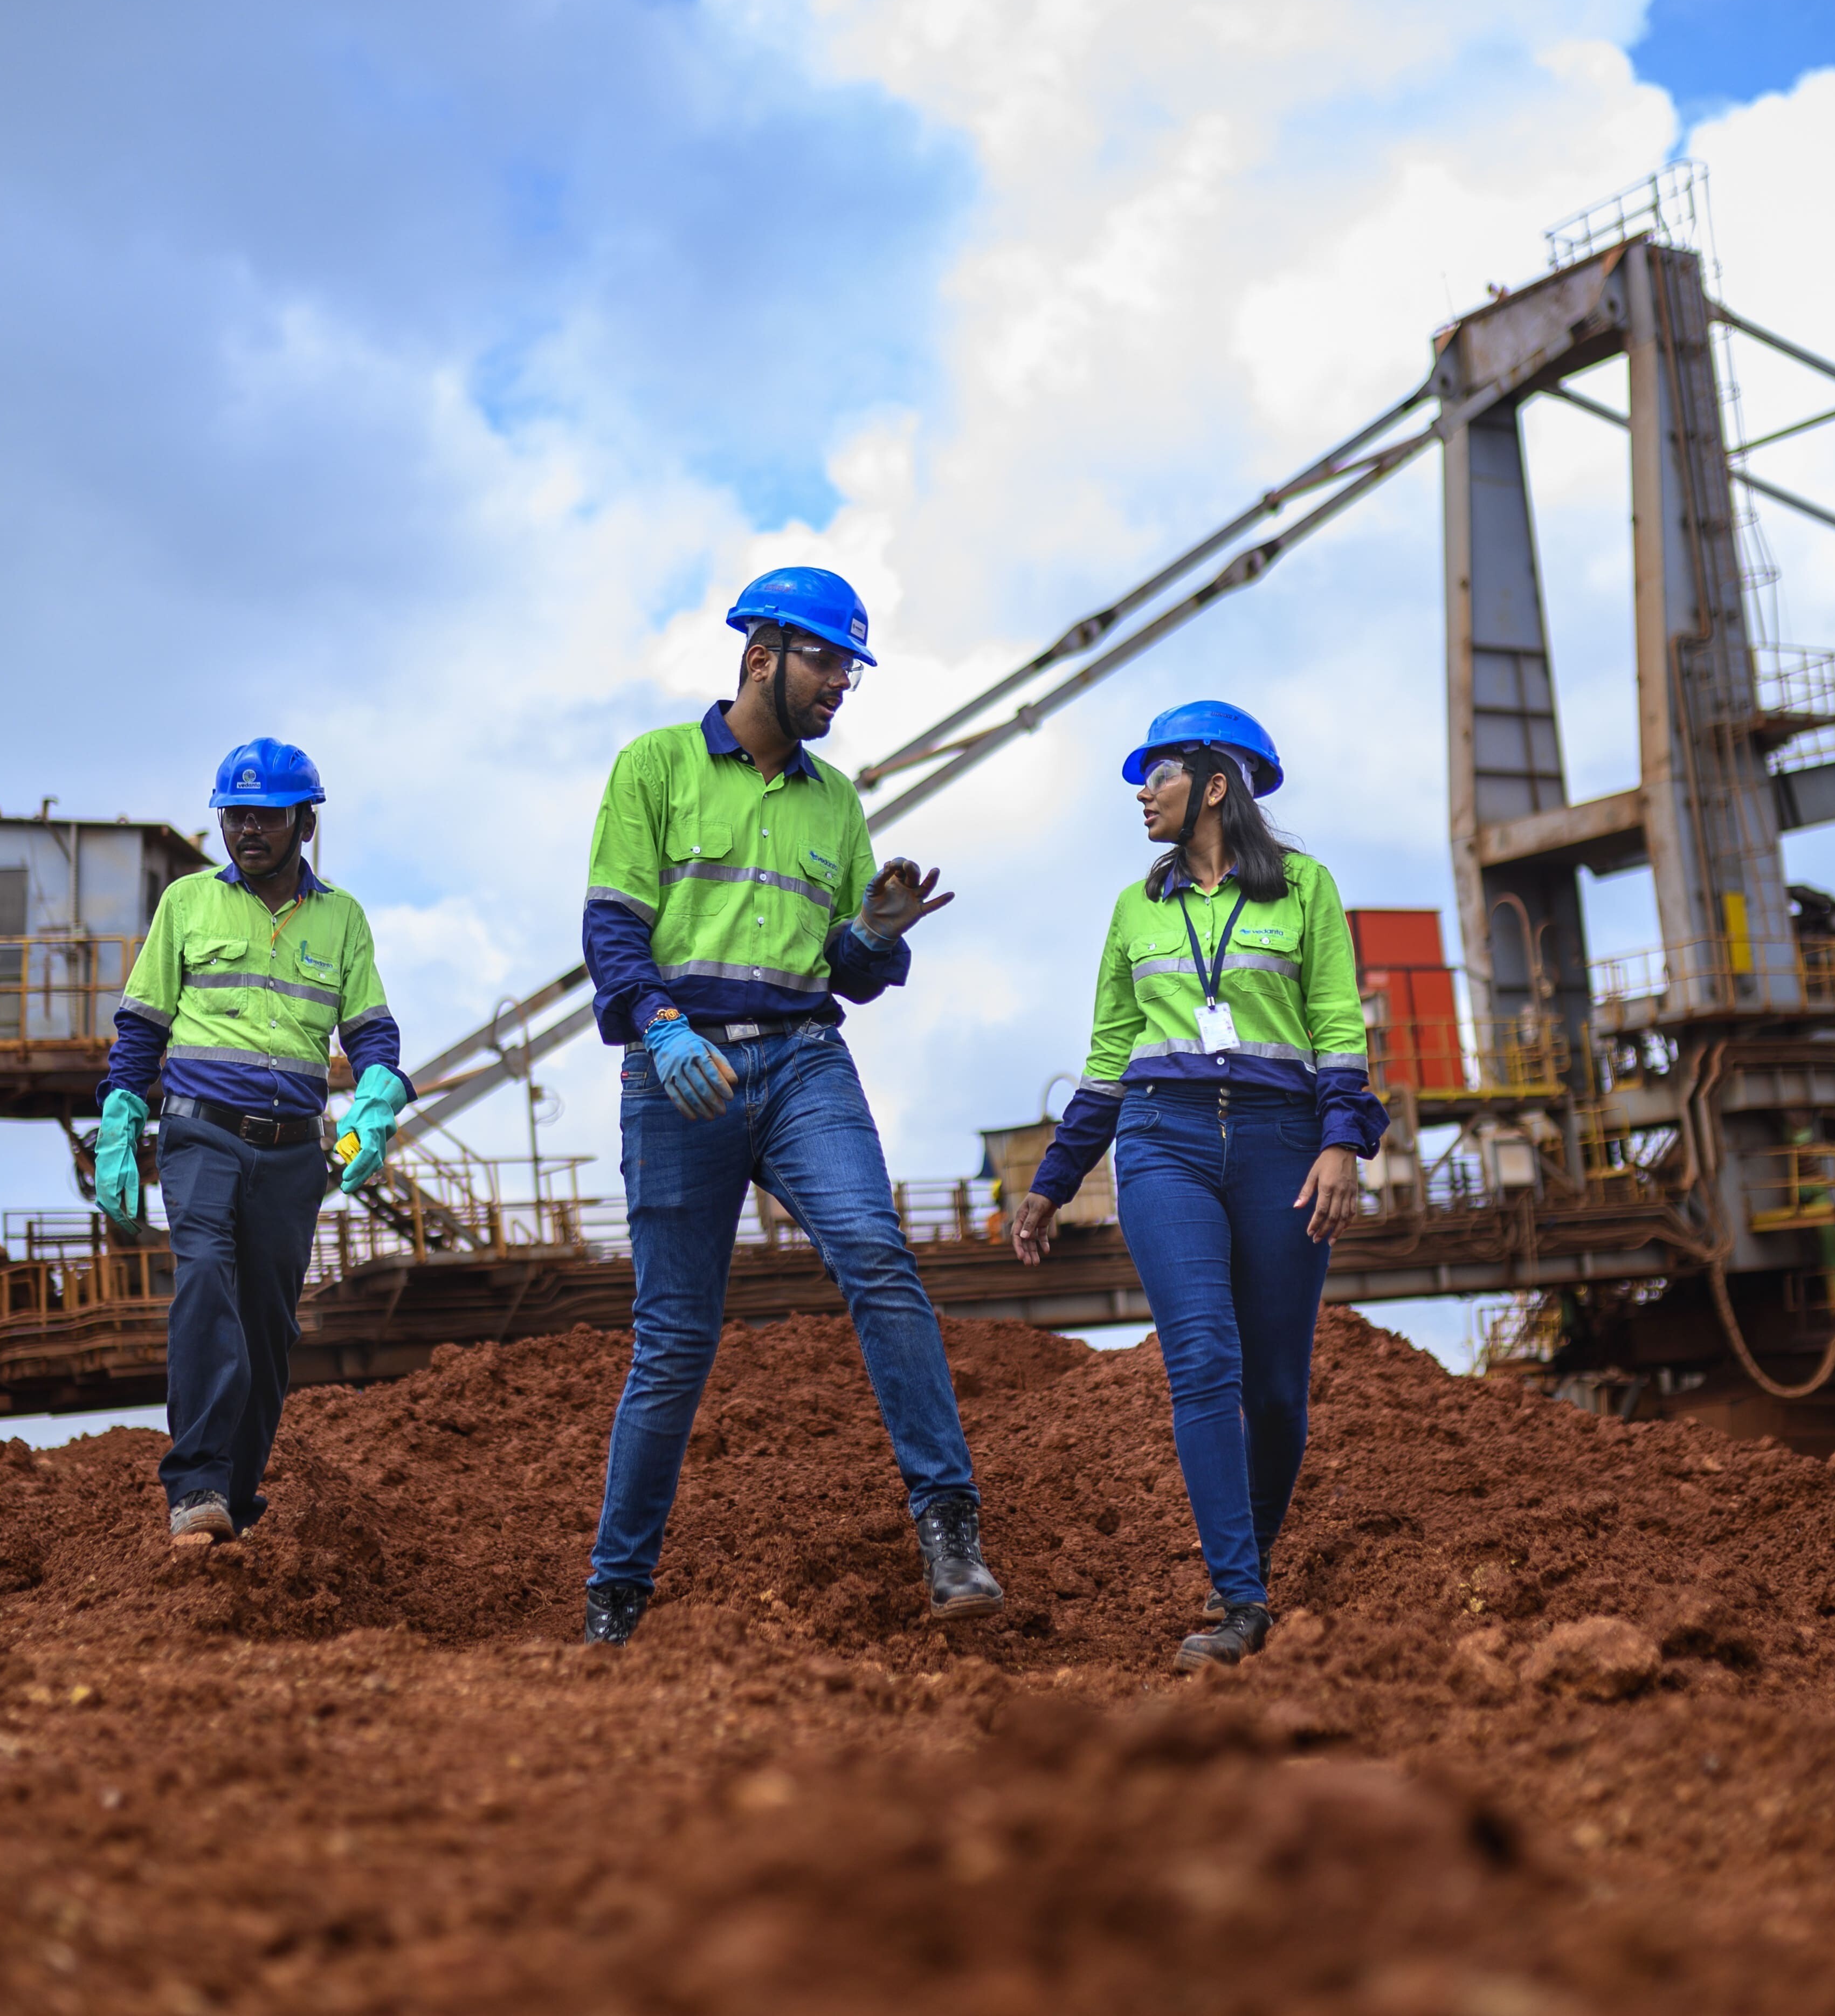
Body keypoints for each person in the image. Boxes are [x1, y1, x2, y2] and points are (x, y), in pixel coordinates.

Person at [576, 566, 1001, 1645]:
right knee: (673, 1339)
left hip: (805, 1060)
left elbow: (847, 972)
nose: (840, 685)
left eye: (849, 669)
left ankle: (949, 1524)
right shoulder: (656, 767)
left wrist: (880, 931)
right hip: (684, 1073)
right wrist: (659, 1026)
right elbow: (615, 929)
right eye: (825, 661)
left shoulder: (837, 803)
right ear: (761, 654)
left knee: (876, 1253)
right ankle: (617, 1595)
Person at [1007, 701, 1383, 1670]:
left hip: (1282, 1144)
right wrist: (1054, 1183)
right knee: (1205, 1360)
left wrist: (1341, 1145)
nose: (1141, 791)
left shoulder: (1306, 890)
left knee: (1278, 1392)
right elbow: (1105, 1059)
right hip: (1162, 1140)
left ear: (1215, 785)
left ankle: (1246, 1568)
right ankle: (1241, 1599)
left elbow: (1338, 1028)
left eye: (1158, 773)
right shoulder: (1136, 909)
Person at [95, 738, 406, 1549]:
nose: (247, 833)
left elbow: (372, 1030)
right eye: (234, 817)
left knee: (270, 1326)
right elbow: (141, 1026)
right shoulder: (189, 905)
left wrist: (376, 1098)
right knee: (205, 1286)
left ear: (305, 822)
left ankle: (235, 1492)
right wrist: (123, 1114)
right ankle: (194, 1483)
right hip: (202, 1135)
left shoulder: (342, 918)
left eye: (266, 818)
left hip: (294, 1154)